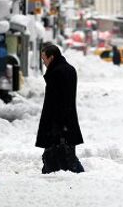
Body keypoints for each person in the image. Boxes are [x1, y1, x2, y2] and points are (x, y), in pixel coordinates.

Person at [36, 43, 84, 174]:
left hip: (58, 124)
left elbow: (55, 102)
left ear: (51, 57)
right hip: (66, 122)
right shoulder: (69, 69)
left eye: (44, 59)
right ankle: (50, 175)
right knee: (62, 155)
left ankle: (78, 176)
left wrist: (56, 126)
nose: (43, 62)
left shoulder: (56, 72)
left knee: (60, 156)